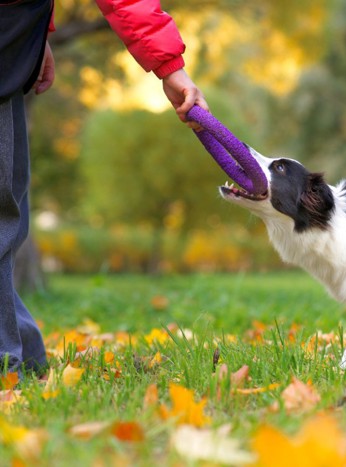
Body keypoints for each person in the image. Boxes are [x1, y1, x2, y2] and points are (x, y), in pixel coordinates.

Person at [0, 0, 208, 376]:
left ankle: (23, 360)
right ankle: (7, 362)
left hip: (12, 33)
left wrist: (36, 36)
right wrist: (168, 66)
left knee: (9, 212)